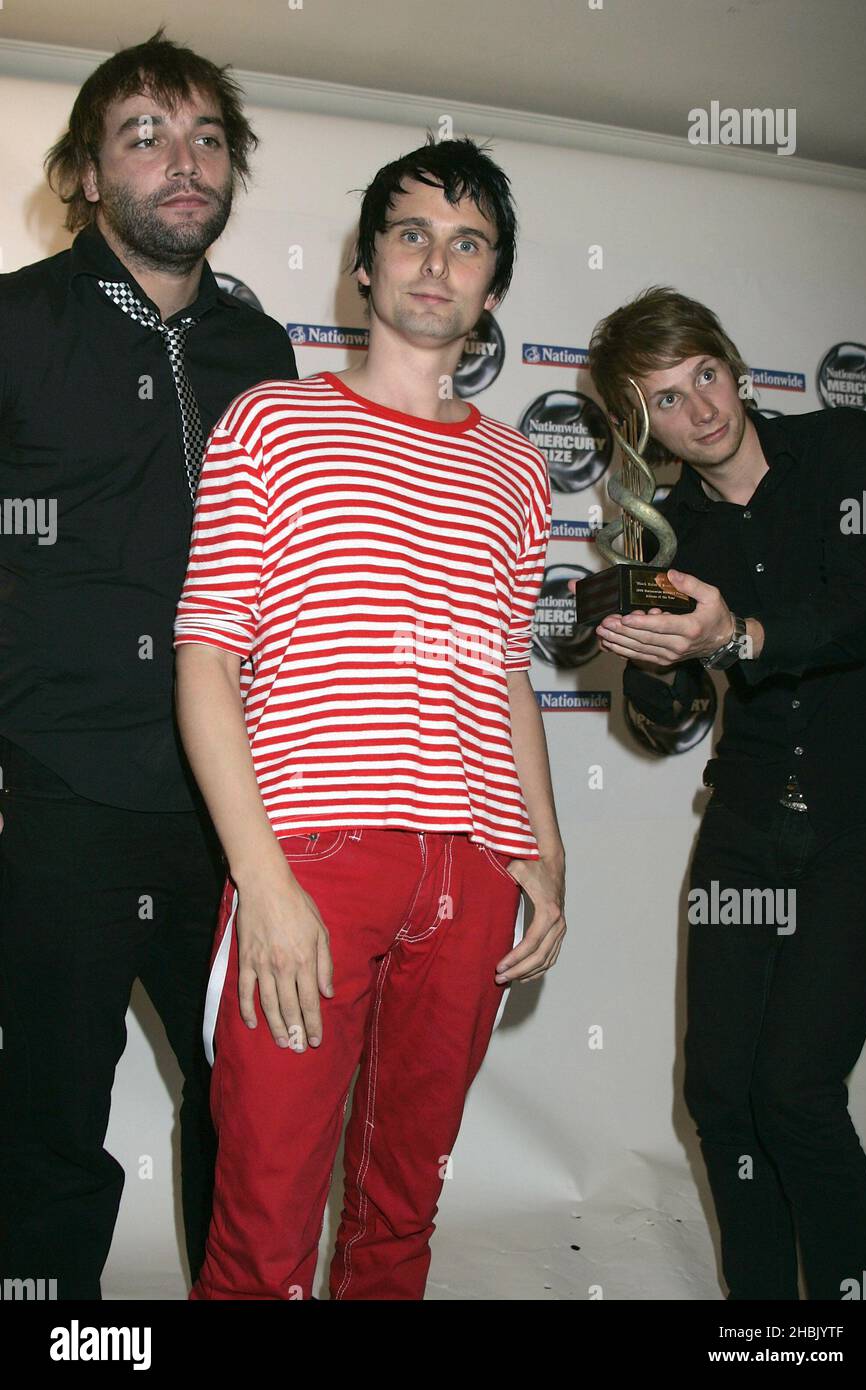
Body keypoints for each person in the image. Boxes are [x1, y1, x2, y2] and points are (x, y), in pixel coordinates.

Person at [173, 134, 566, 1301]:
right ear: (364, 265)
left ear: (491, 288)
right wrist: (264, 881)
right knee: (261, 1230)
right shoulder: (271, 425)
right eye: (409, 234)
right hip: (312, 865)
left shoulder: (518, 474)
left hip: (474, 873)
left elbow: (505, 677)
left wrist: (542, 849)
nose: (434, 263)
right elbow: (205, 663)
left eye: (466, 244)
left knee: (400, 1220)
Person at [0, 28, 298, 1301]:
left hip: (227, 811)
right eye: (144, 135)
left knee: (251, 1112)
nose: (183, 162)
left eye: (207, 138)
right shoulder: (12, 326)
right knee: (49, 1125)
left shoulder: (260, 354)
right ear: (82, 172)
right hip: (55, 796)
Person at [586, 286, 866, 1300]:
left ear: (732, 364)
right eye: (665, 401)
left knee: (794, 1092)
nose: (699, 411)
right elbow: (660, 719)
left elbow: (855, 611)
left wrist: (730, 636)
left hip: (862, 821)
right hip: (745, 821)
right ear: (640, 427)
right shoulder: (662, 532)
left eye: (703, 376)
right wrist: (649, 660)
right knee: (719, 1094)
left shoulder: (845, 449)